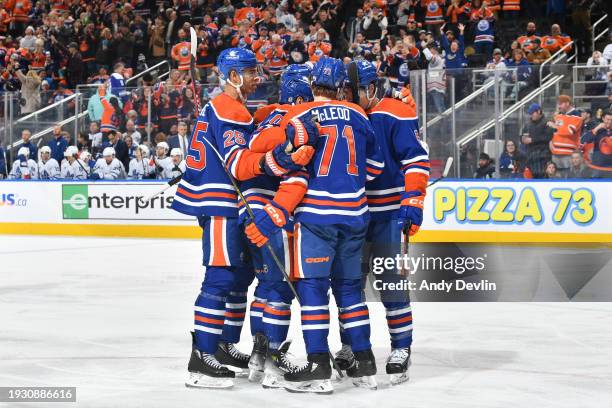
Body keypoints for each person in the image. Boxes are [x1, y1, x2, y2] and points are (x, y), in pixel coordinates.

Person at [171, 48, 312, 389]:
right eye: (249, 72)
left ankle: (220, 346)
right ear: (232, 75)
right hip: (218, 202)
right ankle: (201, 360)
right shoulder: (231, 109)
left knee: (235, 277)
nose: (256, 78)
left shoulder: (224, 107)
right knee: (219, 280)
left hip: (221, 202)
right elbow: (237, 164)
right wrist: (275, 160)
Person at [254, 56, 384, 393]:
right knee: (350, 290)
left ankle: (317, 363)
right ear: (342, 86)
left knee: (312, 290)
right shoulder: (359, 114)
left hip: (316, 217)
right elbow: (375, 168)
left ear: (312, 86)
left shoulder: (302, 114)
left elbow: (280, 159)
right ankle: (364, 359)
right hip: (356, 215)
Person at [334, 60, 426, 386]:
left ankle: (401, 347)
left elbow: (415, 160)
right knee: (349, 285)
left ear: (370, 88)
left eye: (353, 90)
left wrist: (412, 201)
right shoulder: (346, 113)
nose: (347, 95)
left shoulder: (395, 112)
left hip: (388, 215)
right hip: (354, 215)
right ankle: (350, 344)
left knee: (392, 285)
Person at [239, 64, 316, 387]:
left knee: (265, 287)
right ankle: (271, 361)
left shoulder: (264, 118)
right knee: (281, 290)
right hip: (270, 213)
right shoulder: (291, 122)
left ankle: (258, 358)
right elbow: (294, 172)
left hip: (246, 209)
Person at [548, 95, 583, 176]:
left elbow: (570, 131)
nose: (559, 106)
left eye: (560, 104)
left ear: (567, 103)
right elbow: (555, 131)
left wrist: (555, 126)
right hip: (556, 152)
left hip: (568, 153)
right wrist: (551, 143)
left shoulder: (576, 114)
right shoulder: (559, 115)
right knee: (557, 178)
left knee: (569, 177)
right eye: (558, 104)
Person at [522, 103, 554, 178]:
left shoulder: (547, 123)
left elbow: (548, 137)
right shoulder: (527, 124)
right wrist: (523, 139)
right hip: (530, 155)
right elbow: (522, 135)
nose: (531, 115)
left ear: (539, 111)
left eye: (532, 113)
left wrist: (532, 140)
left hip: (543, 155)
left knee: (542, 177)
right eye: (530, 113)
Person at [582, 111, 612, 178]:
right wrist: (596, 129)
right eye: (608, 119)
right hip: (598, 166)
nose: (609, 122)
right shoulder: (597, 129)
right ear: (603, 118)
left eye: (611, 120)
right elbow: (583, 140)